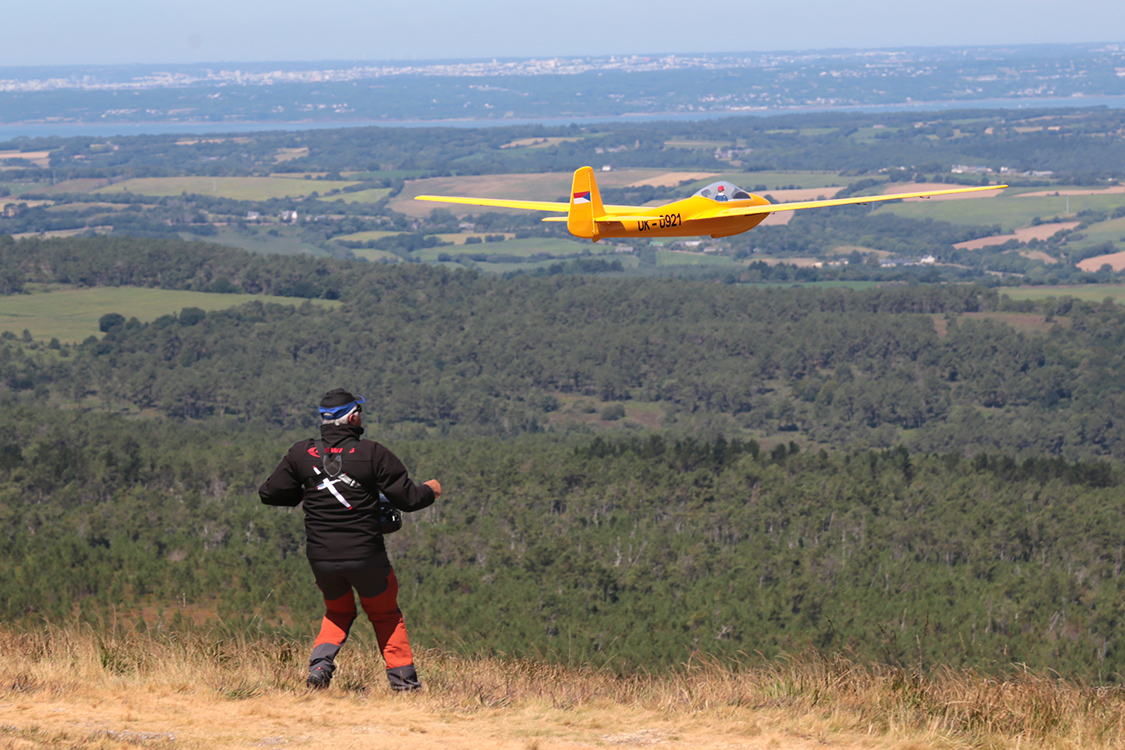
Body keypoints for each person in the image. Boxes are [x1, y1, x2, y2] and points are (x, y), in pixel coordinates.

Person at [259, 388, 441, 691]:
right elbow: (408, 499)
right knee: (385, 615)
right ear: (352, 416)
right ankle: (405, 686)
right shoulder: (373, 452)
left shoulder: (301, 453)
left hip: (321, 558)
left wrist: (306, 491)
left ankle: (319, 668)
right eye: (359, 412)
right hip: (366, 556)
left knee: (338, 612)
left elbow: (269, 493)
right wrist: (430, 490)